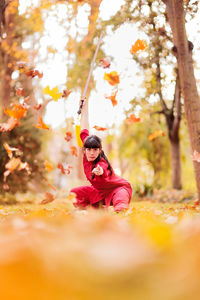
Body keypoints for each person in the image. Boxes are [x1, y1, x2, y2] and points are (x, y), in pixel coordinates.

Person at [70, 98, 132, 212]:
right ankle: (99, 210)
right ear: (84, 149)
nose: (92, 152)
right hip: (100, 192)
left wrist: (100, 171)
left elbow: (103, 169)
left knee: (121, 204)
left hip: (118, 188)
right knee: (74, 194)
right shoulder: (86, 146)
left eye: (95, 149)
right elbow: (82, 130)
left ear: (99, 150)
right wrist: (81, 110)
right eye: (89, 149)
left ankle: (120, 210)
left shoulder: (101, 162)